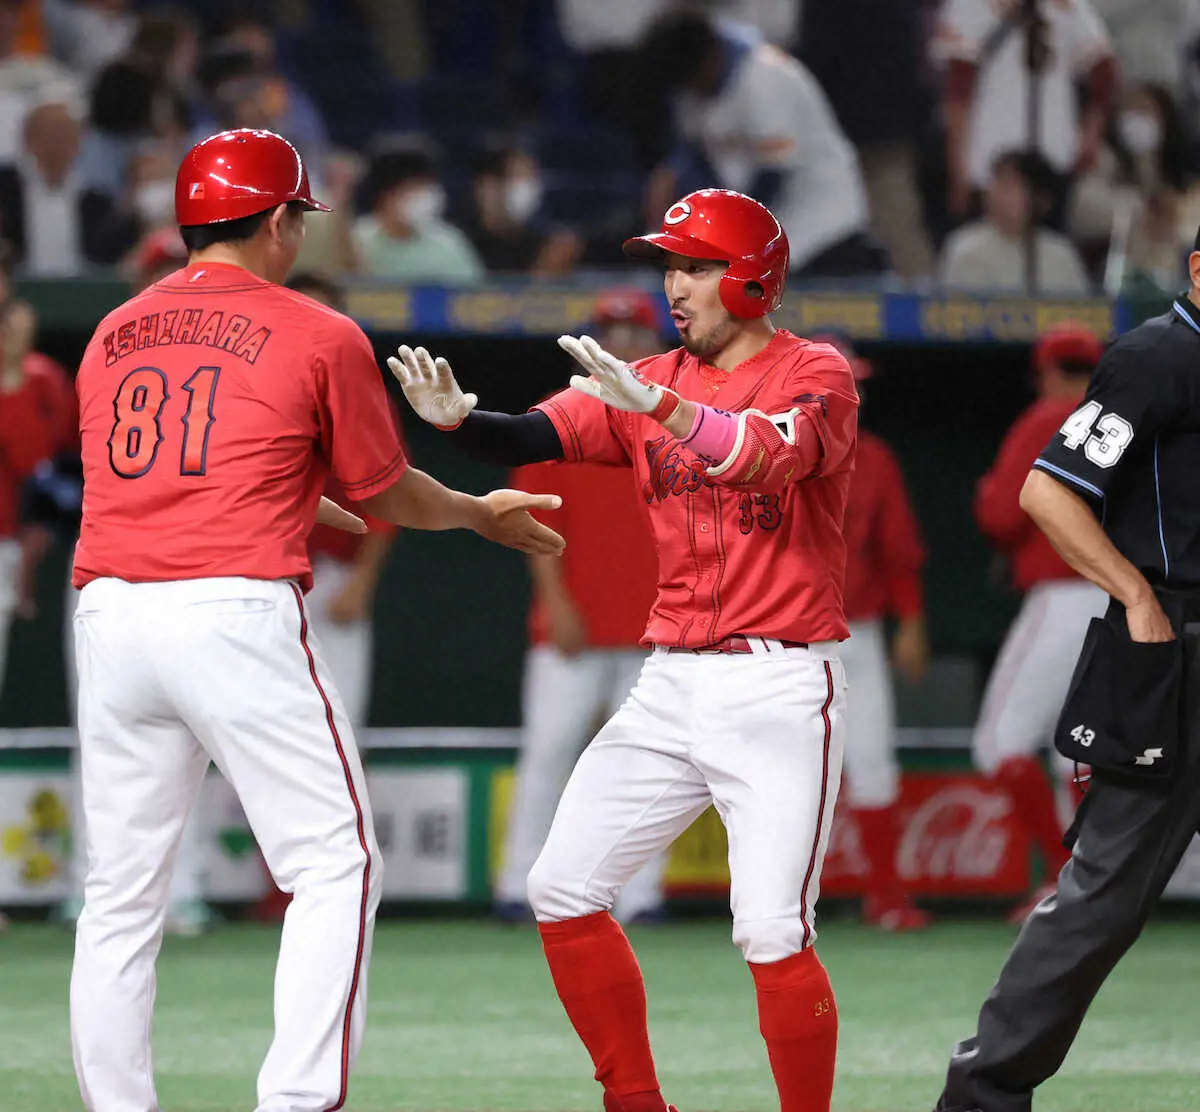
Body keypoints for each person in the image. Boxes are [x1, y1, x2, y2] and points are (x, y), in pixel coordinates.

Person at [68, 127, 563, 1112]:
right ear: (282, 219)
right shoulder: (315, 329)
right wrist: (474, 511)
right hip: (230, 610)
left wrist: (303, 495)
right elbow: (388, 491)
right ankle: (296, 1102)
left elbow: (196, 473)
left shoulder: (110, 329)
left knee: (120, 895)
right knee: (335, 861)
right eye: (299, 214)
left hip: (112, 617)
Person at [394, 187, 858, 1112]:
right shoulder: (645, 377)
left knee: (769, 929)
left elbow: (767, 454)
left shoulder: (820, 373)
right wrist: (455, 422)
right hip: (671, 681)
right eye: (670, 265)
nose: (674, 283)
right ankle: (636, 1103)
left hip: (779, 685)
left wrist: (666, 410)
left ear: (753, 279)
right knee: (561, 888)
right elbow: (530, 434)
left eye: (695, 265)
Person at [934, 239, 1200, 1112]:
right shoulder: (1158, 354)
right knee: (1102, 901)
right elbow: (1048, 492)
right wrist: (1133, 592)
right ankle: (983, 1095)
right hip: (1175, 652)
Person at [495, 288, 666, 926]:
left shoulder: (677, 417)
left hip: (656, 628)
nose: (622, 346)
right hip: (574, 626)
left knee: (650, 768)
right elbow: (525, 515)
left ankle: (642, 896)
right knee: (548, 753)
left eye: (634, 335)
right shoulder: (562, 416)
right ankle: (517, 885)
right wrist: (556, 603)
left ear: (656, 345)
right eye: (611, 334)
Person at [971, 324, 1109, 923]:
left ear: (1046, 370)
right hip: (1117, 596)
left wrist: (983, 493)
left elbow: (1003, 516)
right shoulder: (1121, 421)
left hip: (1059, 595)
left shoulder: (1043, 417)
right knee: (1074, 751)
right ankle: (1093, 887)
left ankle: (1062, 882)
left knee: (1000, 742)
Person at [640, 11, 882, 279]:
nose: (692, 90)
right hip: (770, 238)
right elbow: (697, 151)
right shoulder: (692, 87)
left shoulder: (766, 76)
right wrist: (671, 176)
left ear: (710, 58)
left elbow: (772, 178)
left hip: (822, 225)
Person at [828, 334, 931, 931]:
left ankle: (886, 897)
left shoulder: (877, 457)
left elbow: (899, 552)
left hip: (856, 631)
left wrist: (911, 621)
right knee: (778, 768)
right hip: (781, 637)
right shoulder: (767, 445)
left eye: (857, 385)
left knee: (871, 758)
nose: (852, 395)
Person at [935, 0, 1118, 223]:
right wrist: (1090, 136)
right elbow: (959, 89)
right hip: (1015, 162)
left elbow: (1104, 71)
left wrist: (958, 169)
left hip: (1017, 162)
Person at [939, 149, 1093, 295]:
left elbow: (1083, 314)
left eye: (1010, 187)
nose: (996, 194)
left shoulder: (1061, 254)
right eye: (996, 183)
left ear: (1040, 199)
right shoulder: (966, 249)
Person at [353, 137, 484, 284]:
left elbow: (472, 295)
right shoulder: (357, 239)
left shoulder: (449, 242)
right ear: (385, 195)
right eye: (413, 188)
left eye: (426, 187)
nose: (424, 196)